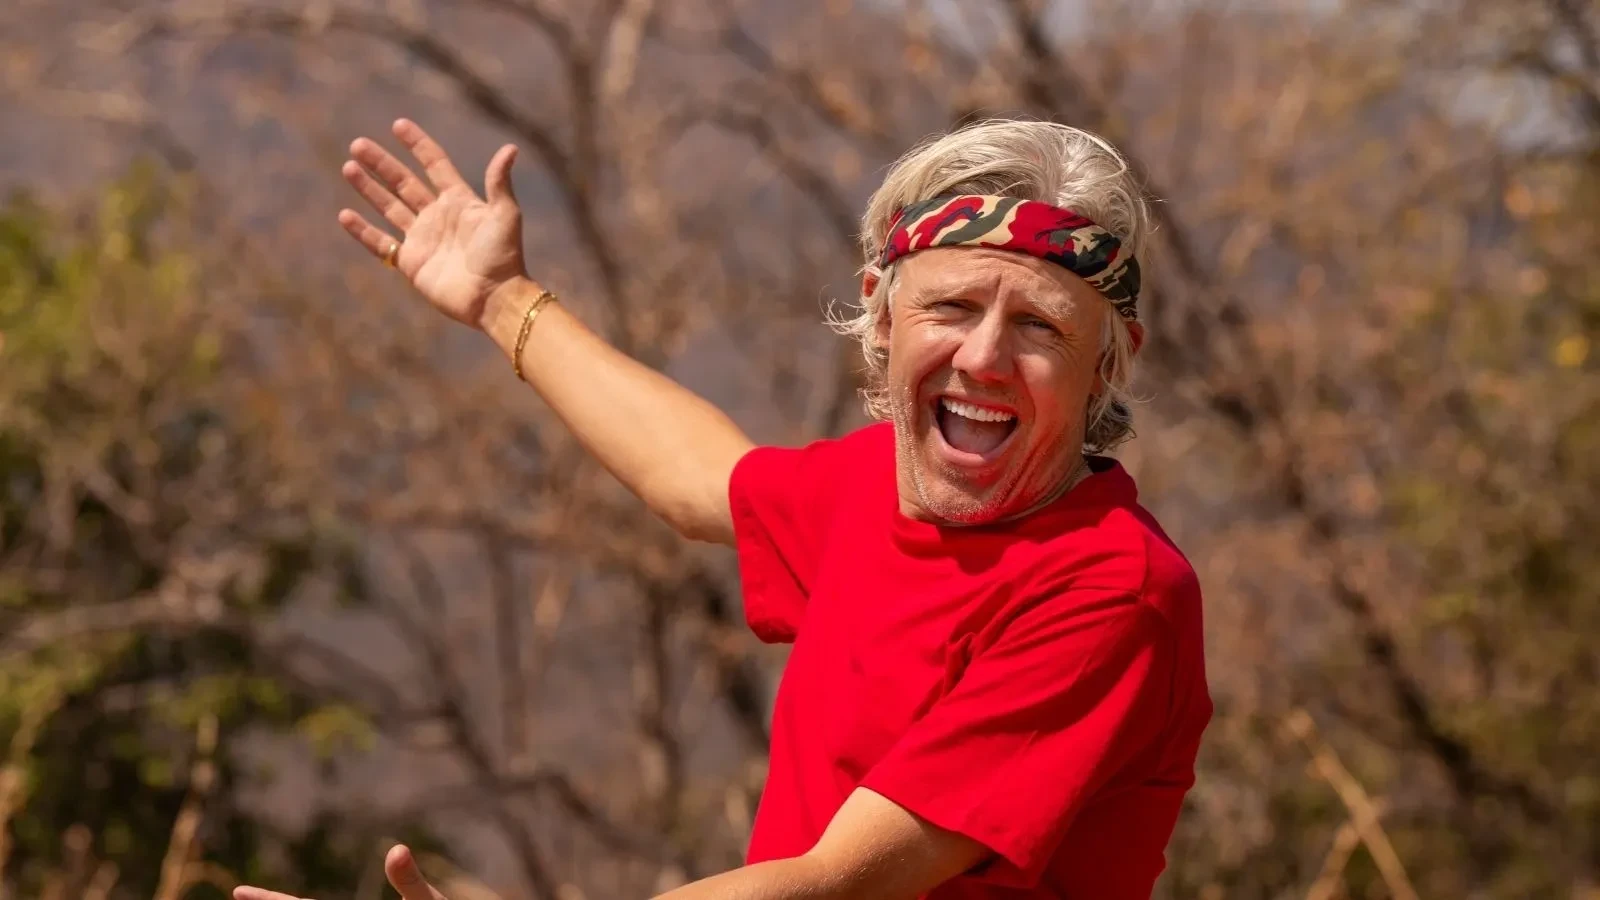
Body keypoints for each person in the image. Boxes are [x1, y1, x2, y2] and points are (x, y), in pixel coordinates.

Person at [237, 117, 1211, 900]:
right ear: (879, 310)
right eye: (950, 308)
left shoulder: (1112, 591)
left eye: (1039, 325)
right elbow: (701, 479)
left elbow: (837, 882)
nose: (984, 358)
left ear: (1108, 364)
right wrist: (499, 299)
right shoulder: (871, 487)